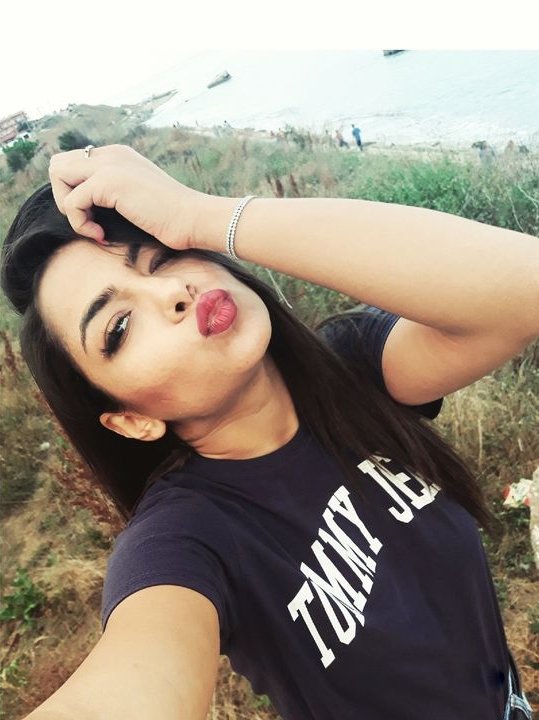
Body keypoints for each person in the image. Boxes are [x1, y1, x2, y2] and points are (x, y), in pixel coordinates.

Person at [2, 144, 537, 720]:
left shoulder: (354, 369)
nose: (172, 292)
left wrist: (201, 214)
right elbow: (131, 682)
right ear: (131, 419)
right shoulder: (184, 538)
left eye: (162, 259)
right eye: (120, 326)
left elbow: (524, 288)